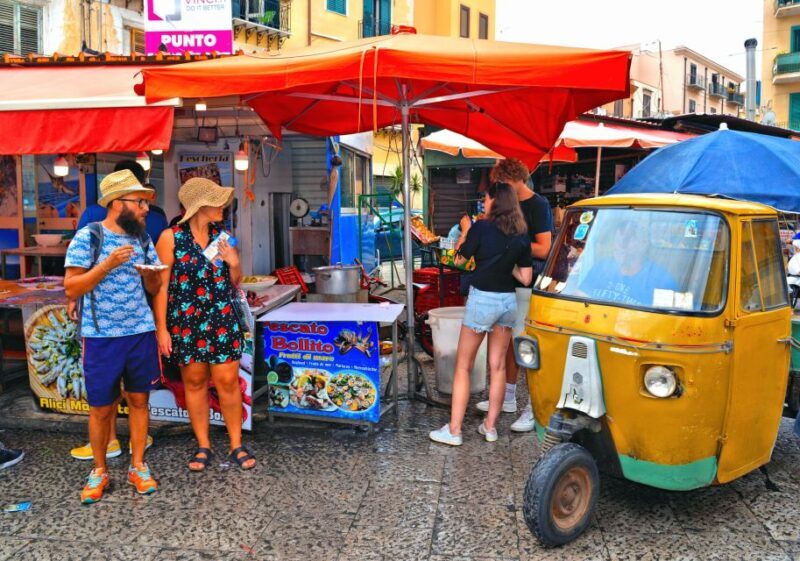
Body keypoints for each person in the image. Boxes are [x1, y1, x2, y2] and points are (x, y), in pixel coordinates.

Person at [64, 169, 163, 504]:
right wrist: (106, 265)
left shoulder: (144, 240)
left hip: (140, 332)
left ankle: (138, 465)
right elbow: (72, 286)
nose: (146, 208)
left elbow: (154, 287)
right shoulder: (89, 237)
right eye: (140, 202)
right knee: (101, 408)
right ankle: (99, 470)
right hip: (102, 335)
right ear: (117, 203)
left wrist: (150, 277)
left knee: (139, 401)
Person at [153, 177, 256, 471]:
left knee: (227, 383)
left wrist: (234, 263)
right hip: (186, 323)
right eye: (217, 201)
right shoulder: (170, 238)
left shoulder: (223, 236)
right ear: (200, 206)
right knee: (194, 383)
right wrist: (162, 329)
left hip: (222, 319)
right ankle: (203, 445)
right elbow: (161, 287)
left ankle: (236, 444)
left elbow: (234, 283)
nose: (223, 206)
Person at [429, 183, 532, 446]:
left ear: (495, 201)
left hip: (482, 300)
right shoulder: (521, 234)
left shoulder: (481, 228)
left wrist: (465, 232)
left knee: (463, 366)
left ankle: (454, 430)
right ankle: (490, 427)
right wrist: (504, 264)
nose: (483, 203)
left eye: (485, 199)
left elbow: (459, 261)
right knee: (497, 366)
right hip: (507, 303)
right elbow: (526, 277)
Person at [474, 158, 552, 433]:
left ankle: (535, 407)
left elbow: (544, 248)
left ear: (513, 180)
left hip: (529, 283)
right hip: (508, 281)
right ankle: (507, 396)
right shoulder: (508, 205)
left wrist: (510, 244)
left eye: (501, 184)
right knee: (507, 341)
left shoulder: (538, 206)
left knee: (526, 344)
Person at [575, 219, 678, 306]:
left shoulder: (661, 280)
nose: (621, 244)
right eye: (618, 238)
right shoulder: (602, 267)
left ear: (644, 244)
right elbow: (580, 297)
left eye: (628, 239)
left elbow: (665, 321)